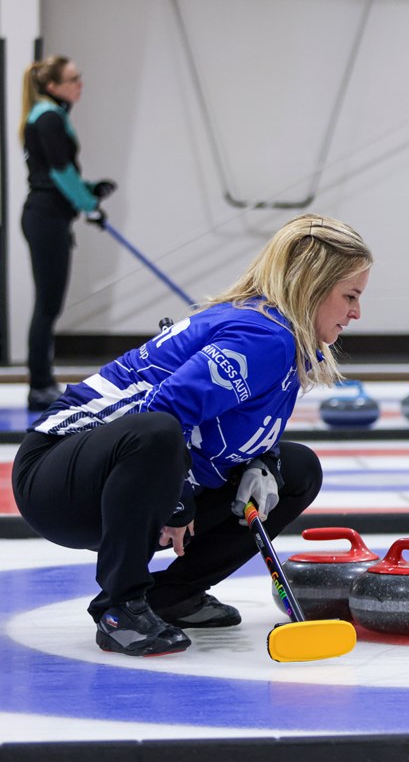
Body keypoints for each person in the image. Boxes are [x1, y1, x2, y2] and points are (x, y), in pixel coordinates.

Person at [11, 214, 372, 657]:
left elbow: (232, 426)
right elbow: (160, 413)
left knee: (295, 470)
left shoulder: (285, 340)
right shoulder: (266, 338)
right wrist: (179, 499)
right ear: (312, 287)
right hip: (55, 475)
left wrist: (265, 462)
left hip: (121, 471)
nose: (356, 312)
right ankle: (119, 608)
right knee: (158, 431)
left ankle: (173, 596)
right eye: (350, 296)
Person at [19, 55, 119, 411]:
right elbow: (59, 174)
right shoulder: (49, 117)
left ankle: (43, 382)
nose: (80, 84)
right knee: (48, 306)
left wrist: (91, 190)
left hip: (50, 215)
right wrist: (88, 205)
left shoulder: (50, 115)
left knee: (49, 304)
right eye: (74, 78)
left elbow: (57, 173)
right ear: (52, 86)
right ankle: (40, 385)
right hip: (46, 217)